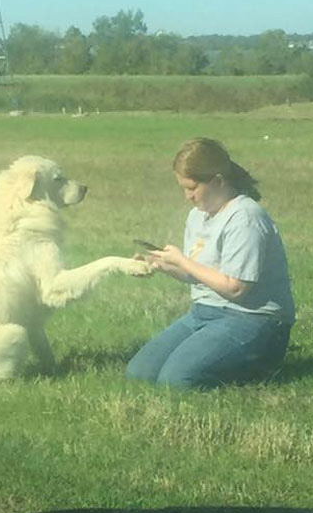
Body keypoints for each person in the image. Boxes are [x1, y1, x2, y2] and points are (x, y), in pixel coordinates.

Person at [126, 137, 295, 390]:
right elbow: (198, 275)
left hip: (253, 320)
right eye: (183, 188)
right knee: (140, 373)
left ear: (218, 181)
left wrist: (182, 260)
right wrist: (161, 264)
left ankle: (257, 367)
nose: (187, 197)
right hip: (203, 313)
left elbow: (236, 288)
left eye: (192, 187)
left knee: (177, 381)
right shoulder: (197, 216)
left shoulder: (245, 218)